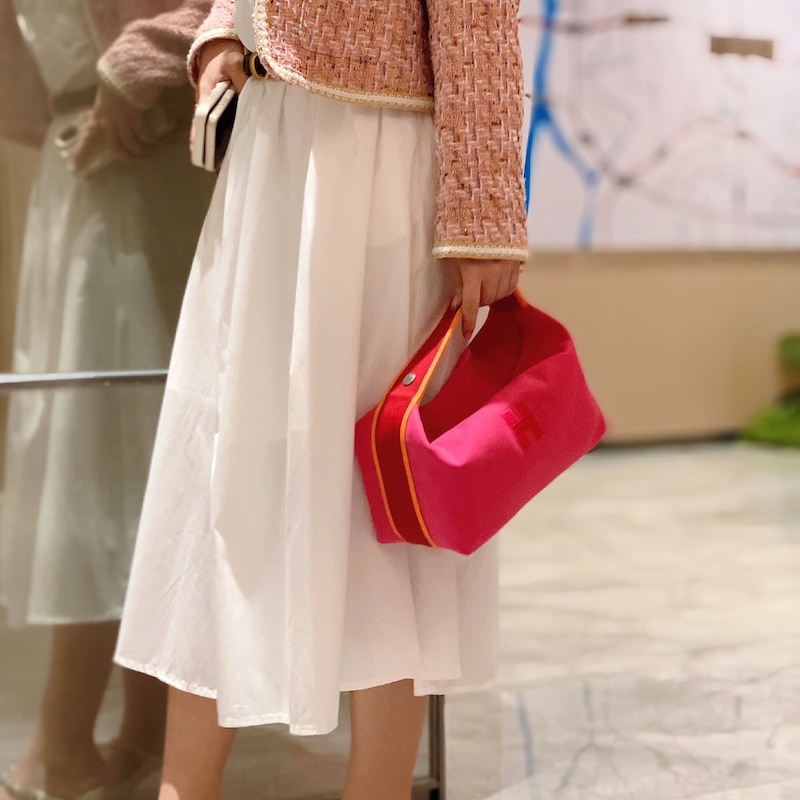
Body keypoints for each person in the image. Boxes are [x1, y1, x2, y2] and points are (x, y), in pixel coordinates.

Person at [114, 0, 529, 797]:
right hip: (269, 155)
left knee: (381, 488)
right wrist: (222, 33)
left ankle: (377, 787)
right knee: (222, 466)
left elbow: (479, 29)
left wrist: (483, 216)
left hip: (375, 169)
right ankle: (184, 786)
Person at [0, 1, 215, 798]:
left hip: (146, 140)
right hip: (83, 153)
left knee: (109, 444)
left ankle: (68, 735)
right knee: (99, 439)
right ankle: (138, 728)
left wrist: (137, 65)